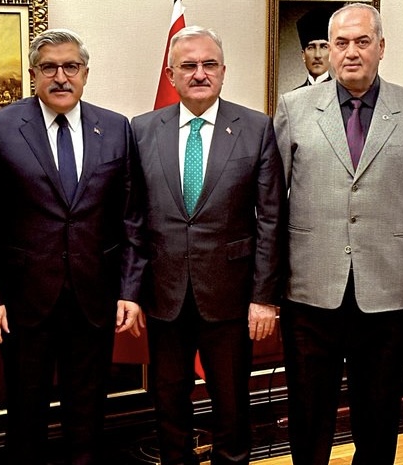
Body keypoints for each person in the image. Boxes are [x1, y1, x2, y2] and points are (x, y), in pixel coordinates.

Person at [273, 4, 403, 465]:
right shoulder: (294, 108)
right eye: (341, 43)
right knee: (309, 416)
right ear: (330, 50)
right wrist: (267, 287)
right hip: (310, 291)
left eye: (362, 42)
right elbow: (272, 203)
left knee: (378, 417)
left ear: (381, 47)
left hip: (386, 293)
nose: (351, 52)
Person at [0, 28, 145, 465]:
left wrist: (130, 291)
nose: (61, 77)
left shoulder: (115, 128)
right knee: (26, 415)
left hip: (94, 299)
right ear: (33, 74)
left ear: (85, 73)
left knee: (89, 413)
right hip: (23, 303)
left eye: (71, 67)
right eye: (49, 68)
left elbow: (132, 219)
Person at [129, 26, 285, 465]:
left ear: (223, 71)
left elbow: (271, 219)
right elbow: (132, 219)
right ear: (171, 75)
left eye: (209, 64)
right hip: (164, 296)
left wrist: (264, 298)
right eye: (189, 66)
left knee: (232, 405)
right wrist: (131, 291)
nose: (200, 73)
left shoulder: (255, 128)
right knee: (168, 404)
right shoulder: (142, 130)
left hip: (231, 297)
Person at [294, 3, 342, 89]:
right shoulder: (292, 95)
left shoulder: (341, 94)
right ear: (303, 55)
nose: (317, 55)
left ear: (331, 53)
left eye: (324, 47)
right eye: (311, 47)